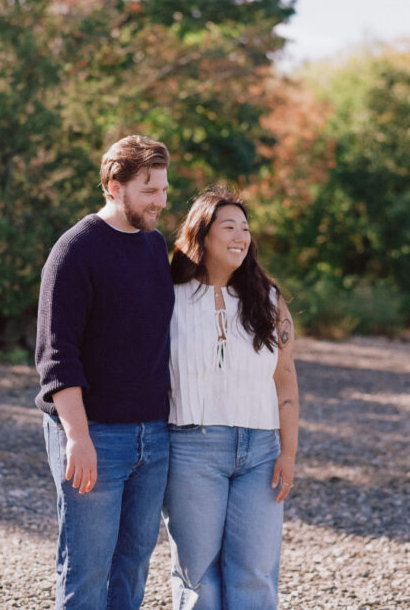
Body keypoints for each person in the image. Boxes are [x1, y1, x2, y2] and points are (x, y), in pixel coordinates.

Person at [34, 135, 174, 610]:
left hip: (152, 436)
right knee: (87, 570)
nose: (161, 202)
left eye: (164, 190)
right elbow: (57, 357)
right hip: (93, 435)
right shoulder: (75, 250)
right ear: (115, 186)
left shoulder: (155, 247)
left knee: (133, 567)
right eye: (150, 190)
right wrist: (78, 436)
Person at [162, 186, 300, 610]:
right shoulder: (166, 296)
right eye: (229, 227)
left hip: (261, 452)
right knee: (198, 576)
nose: (241, 235)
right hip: (190, 449)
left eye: (245, 228)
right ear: (201, 235)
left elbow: (286, 381)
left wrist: (289, 453)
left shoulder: (269, 302)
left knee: (255, 573)